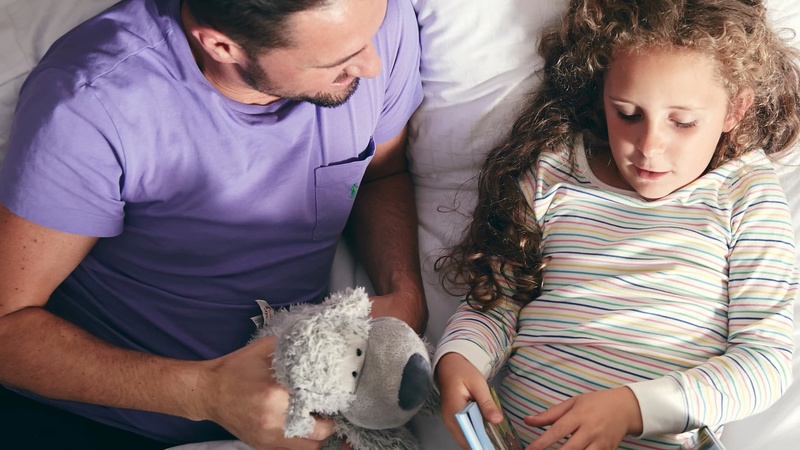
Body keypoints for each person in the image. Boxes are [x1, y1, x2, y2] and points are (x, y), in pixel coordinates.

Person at [0, 0, 427, 448]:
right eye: (337, 62)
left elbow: (382, 172)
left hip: (305, 401)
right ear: (222, 46)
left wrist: (405, 294)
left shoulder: (366, 18)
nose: (374, 64)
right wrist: (207, 393)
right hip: (105, 419)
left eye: (372, 35)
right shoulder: (91, 106)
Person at [434, 0, 800, 449]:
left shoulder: (744, 193)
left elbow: (765, 361)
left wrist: (632, 408)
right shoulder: (555, 171)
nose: (649, 146)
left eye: (682, 122)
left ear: (734, 110)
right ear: (601, 90)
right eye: (628, 114)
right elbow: (497, 299)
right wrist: (459, 358)